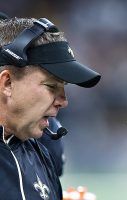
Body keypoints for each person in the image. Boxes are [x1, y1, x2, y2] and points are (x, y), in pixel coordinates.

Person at [0, 16, 100, 200]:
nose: (63, 101)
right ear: (7, 83)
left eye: (64, 87)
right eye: (51, 86)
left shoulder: (38, 151)